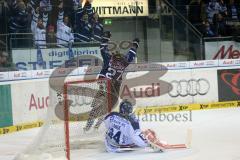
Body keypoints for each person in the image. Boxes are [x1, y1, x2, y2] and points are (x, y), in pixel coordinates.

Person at [83, 31, 139, 131]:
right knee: (105, 110)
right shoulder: (124, 62)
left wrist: (106, 38)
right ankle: (96, 126)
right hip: (113, 92)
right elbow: (132, 54)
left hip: (103, 87)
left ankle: (88, 127)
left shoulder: (108, 58)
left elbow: (102, 48)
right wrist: (135, 44)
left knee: (95, 109)